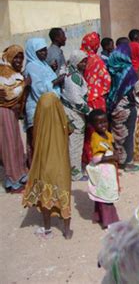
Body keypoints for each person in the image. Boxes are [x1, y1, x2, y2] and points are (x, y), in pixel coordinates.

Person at [22, 92, 73, 240]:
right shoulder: (61, 117)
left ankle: (48, 228)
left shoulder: (39, 120)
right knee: (64, 195)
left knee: (46, 196)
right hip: (61, 163)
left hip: (44, 163)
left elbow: (34, 138)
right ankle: (67, 231)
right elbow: (70, 130)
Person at [24, 38, 64, 158]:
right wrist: (57, 81)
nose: (44, 53)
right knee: (40, 142)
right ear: (33, 52)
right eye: (40, 51)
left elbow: (45, 79)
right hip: (37, 108)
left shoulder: (42, 64)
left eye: (45, 50)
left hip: (47, 107)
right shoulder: (32, 66)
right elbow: (39, 90)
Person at [106, 41, 139, 172]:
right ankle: (128, 163)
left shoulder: (110, 67)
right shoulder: (128, 70)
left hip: (114, 105)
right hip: (127, 106)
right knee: (128, 134)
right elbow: (138, 87)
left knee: (117, 134)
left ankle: (118, 160)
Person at [0, 45, 29, 192]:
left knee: (16, 142)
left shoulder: (13, 72)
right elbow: (8, 93)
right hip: (4, 112)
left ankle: (20, 173)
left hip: (11, 113)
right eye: (16, 57)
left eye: (21, 57)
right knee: (8, 145)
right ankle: (12, 180)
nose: (19, 60)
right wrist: (24, 84)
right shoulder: (4, 72)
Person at [86, 109, 120, 229]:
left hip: (109, 169)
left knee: (103, 193)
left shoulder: (108, 135)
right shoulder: (96, 138)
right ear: (93, 125)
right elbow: (96, 158)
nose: (103, 125)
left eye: (105, 122)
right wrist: (113, 157)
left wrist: (115, 152)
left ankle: (98, 216)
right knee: (106, 195)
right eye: (99, 123)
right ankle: (109, 221)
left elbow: (112, 144)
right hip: (102, 169)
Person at [62, 50, 90, 181]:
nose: (84, 63)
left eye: (85, 61)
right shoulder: (74, 78)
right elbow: (76, 100)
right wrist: (90, 111)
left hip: (74, 113)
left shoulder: (75, 75)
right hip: (74, 114)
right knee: (75, 143)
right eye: (82, 61)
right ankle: (76, 173)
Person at [80, 32, 111, 111]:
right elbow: (106, 80)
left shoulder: (79, 57)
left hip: (83, 96)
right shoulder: (96, 60)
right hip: (96, 96)